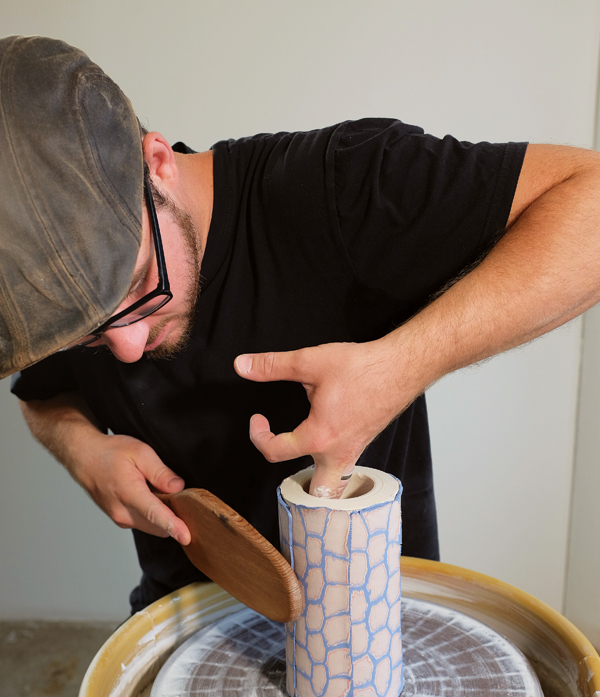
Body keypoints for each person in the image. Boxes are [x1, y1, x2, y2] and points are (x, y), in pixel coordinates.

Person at [5, 36, 600, 613]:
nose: (128, 347)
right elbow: (43, 395)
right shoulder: (46, 279)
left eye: (138, 285)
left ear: (156, 163)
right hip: (182, 623)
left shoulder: (341, 189)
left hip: (372, 628)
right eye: (88, 331)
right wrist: (85, 451)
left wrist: (401, 366)